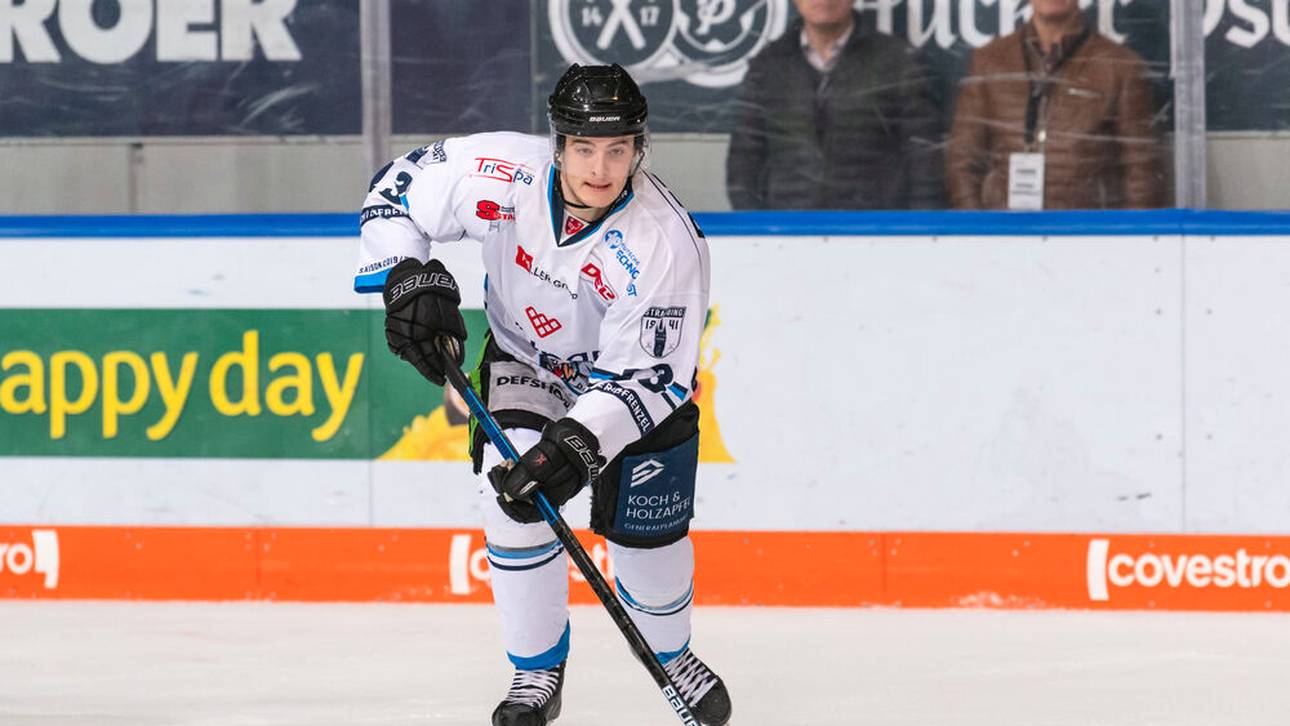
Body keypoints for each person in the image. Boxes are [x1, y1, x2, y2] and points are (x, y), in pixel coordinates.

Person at [353, 64, 731, 726]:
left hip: (629, 392)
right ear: (556, 145)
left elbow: (654, 376)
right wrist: (406, 276)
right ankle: (535, 674)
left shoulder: (666, 242)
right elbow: (394, 193)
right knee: (509, 495)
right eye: (584, 148)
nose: (600, 167)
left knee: (649, 544)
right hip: (525, 360)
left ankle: (673, 655)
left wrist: (579, 445)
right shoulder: (499, 172)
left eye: (618, 150)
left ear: (639, 149)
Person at [725, 0, 944, 210]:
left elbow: (923, 156)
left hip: (876, 230)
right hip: (786, 230)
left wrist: (919, 228)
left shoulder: (896, 60)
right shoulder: (769, 64)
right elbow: (744, 159)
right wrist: (758, 230)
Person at [947, 0, 1165, 210]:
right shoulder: (989, 62)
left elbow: (1142, 175)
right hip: (1005, 237)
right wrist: (981, 235)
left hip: (1087, 236)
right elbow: (962, 162)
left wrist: (1122, 241)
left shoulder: (1120, 67)